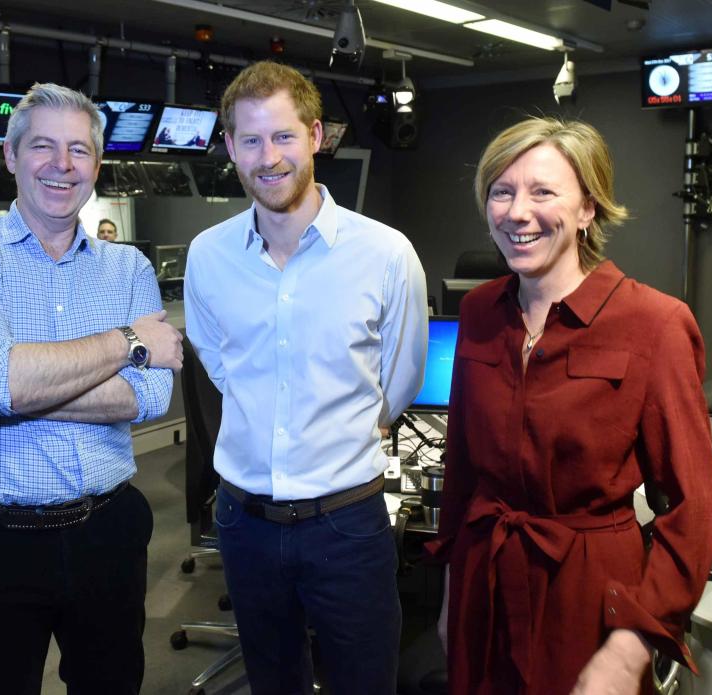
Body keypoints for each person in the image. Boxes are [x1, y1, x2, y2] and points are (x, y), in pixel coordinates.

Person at [430, 117, 712, 695]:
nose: (517, 212)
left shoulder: (654, 324)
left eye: (543, 192)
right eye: (501, 191)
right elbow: (462, 467)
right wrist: (449, 592)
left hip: (587, 590)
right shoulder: (481, 311)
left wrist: (635, 641)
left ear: (588, 208)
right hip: (482, 578)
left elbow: (695, 510)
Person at [0, 82, 183, 695]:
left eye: (79, 150)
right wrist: (128, 342)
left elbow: (150, 399)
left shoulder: (131, 268)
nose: (62, 166)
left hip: (108, 533)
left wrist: (11, 393)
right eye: (42, 146)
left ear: (96, 163)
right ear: (11, 156)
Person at [184, 61, 428, 694]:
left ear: (316, 135)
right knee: (273, 682)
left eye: (285, 136)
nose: (270, 157)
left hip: (347, 523)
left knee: (365, 682)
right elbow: (219, 364)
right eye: (252, 140)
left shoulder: (386, 253)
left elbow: (398, 382)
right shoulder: (208, 256)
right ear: (230, 147)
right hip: (243, 521)